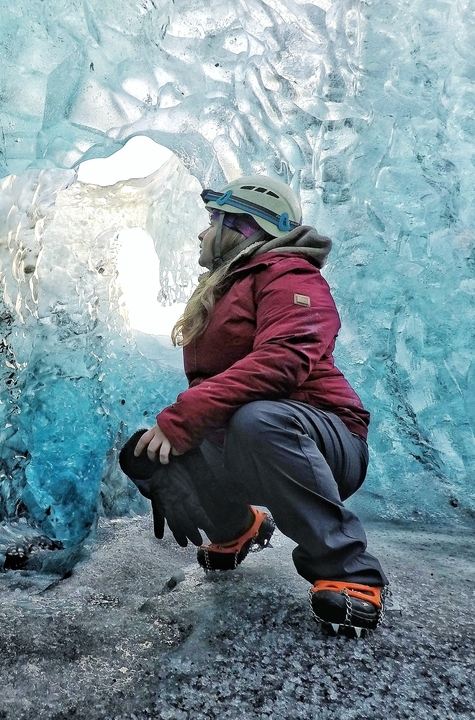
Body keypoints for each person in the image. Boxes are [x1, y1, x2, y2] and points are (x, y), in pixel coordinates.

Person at [119, 175, 388, 637]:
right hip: (251, 446)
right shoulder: (228, 289)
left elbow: (285, 357)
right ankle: (237, 528)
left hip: (324, 444)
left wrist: (184, 417)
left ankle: (350, 573)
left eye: (211, 222)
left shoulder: (290, 275)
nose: (201, 234)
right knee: (146, 453)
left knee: (257, 420)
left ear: (243, 228)